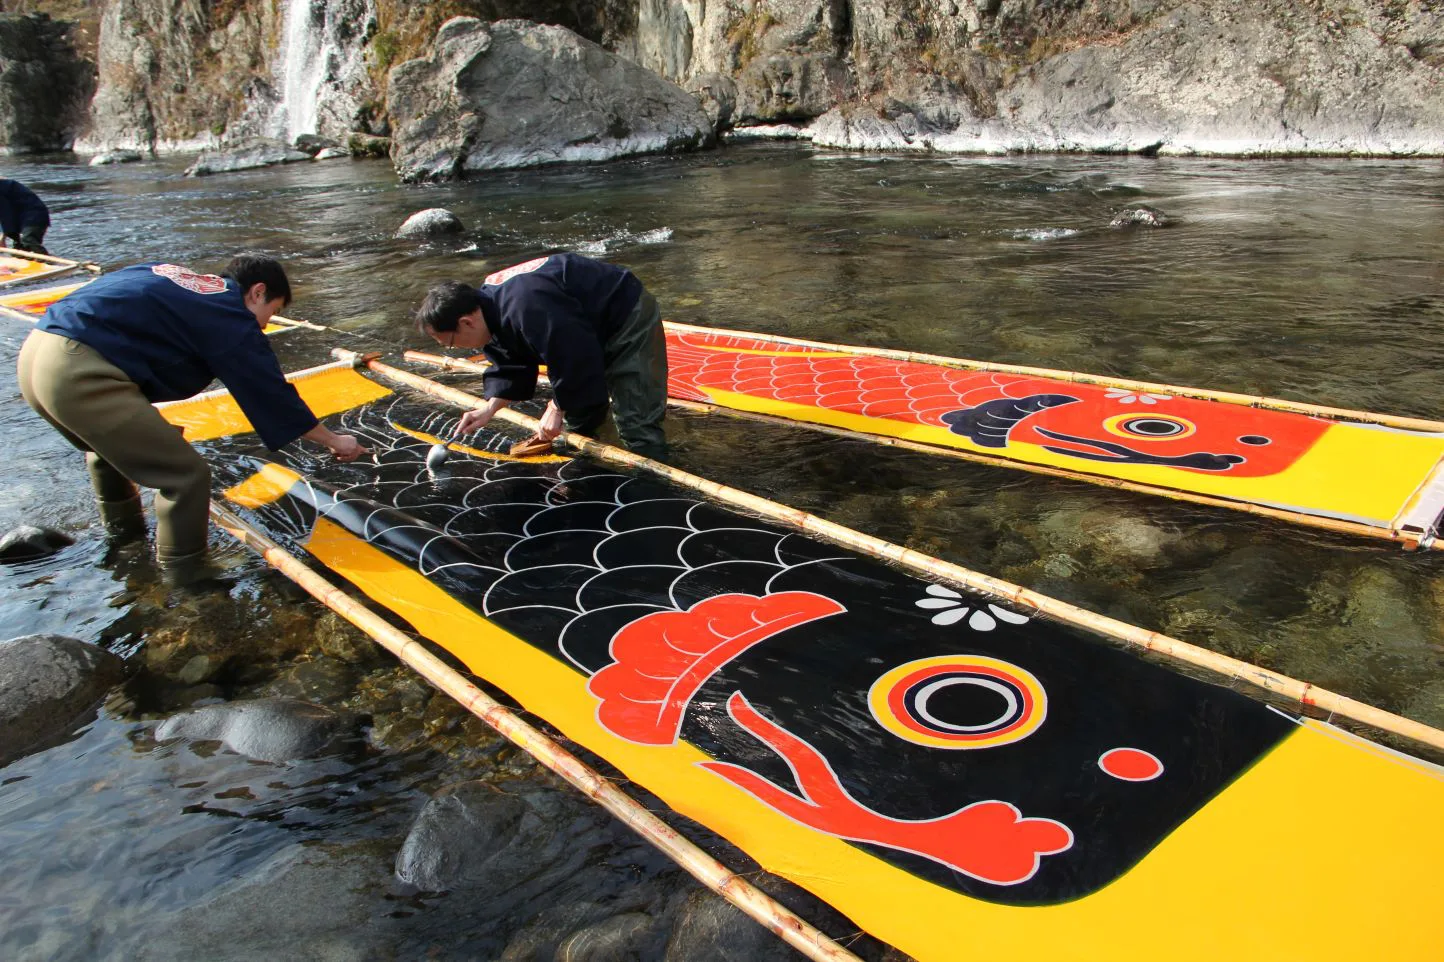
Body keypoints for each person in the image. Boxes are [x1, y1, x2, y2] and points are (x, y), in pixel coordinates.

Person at [16, 255, 367, 583]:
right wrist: (335, 440)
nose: (264, 325)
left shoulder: (180, 281)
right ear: (257, 291)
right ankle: (185, 576)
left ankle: (126, 542)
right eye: (271, 312)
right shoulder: (229, 312)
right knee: (186, 478)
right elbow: (270, 392)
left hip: (37, 355)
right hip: (78, 371)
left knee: (108, 452)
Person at [414, 252, 668, 459]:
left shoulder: (528, 306)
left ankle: (655, 486)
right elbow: (510, 364)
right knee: (579, 418)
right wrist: (488, 410)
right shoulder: (489, 309)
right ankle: (595, 463)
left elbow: (575, 355)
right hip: (583, 325)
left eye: (449, 343)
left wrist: (556, 406)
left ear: (466, 322)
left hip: (623, 312)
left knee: (636, 422)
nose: (455, 349)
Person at [0, 178, 51, 254]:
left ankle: (47, 261)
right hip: (19, 217)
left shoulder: (3, 188)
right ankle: (26, 260)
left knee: (28, 240)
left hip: (34, 215)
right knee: (19, 249)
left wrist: (2, 239)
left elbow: (5, 216)